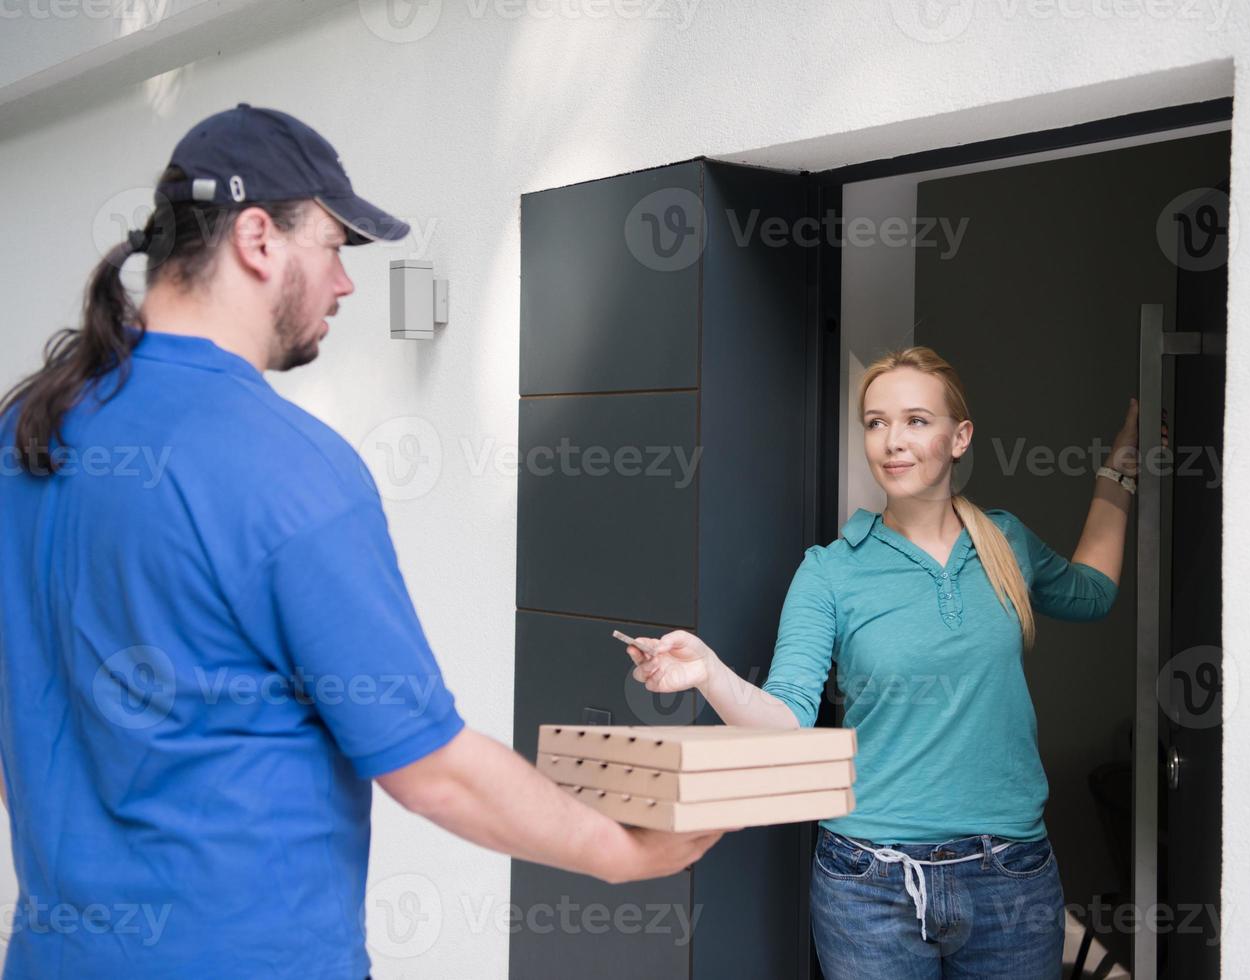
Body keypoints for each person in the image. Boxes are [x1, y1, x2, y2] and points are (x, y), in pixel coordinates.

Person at [0, 103, 722, 979]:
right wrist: (626, 852)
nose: (344, 285)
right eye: (336, 247)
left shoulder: (27, 433)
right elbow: (431, 770)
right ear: (258, 239)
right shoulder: (282, 463)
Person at [626, 345, 1165, 979]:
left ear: (959, 437)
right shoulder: (830, 569)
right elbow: (786, 723)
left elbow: (1092, 593)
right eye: (876, 422)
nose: (891, 441)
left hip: (1010, 877)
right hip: (869, 883)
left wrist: (1121, 471)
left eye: (916, 420)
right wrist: (708, 674)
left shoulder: (1005, 541)